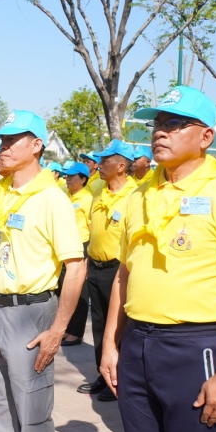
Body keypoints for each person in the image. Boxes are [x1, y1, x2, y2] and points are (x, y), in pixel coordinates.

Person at [99, 85, 216, 432]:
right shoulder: (139, 196)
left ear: (206, 136)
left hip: (194, 348)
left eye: (174, 124)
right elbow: (125, 273)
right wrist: (109, 344)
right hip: (137, 343)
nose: (160, 132)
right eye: (157, 124)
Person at [0, 110, 86, 432]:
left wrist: (59, 329)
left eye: (12, 141)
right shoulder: (4, 193)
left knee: (32, 413)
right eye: (2, 141)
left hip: (33, 314)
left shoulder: (52, 198)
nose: (2, 148)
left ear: (37, 145)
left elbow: (76, 266)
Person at [77, 139, 137, 402]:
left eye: (106, 161)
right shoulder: (98, 187)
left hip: (118, 270)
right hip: (97, 266)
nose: (99, 165)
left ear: (121, 166)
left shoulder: (135, 194)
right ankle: (104, 375)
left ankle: (121, 378)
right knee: (100, 325)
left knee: (119, 327)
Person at [60, 162, 92, 347]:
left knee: (79, 290)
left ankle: (76, 332)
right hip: (66, 246)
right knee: (66, 289)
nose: (68, 179)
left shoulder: (87, 199)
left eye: (73, 176)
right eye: (67, 175)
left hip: (82, 246)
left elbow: (91, 227)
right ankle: (68, 328)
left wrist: (89, 255)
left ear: (83, 179)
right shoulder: (66, 196)